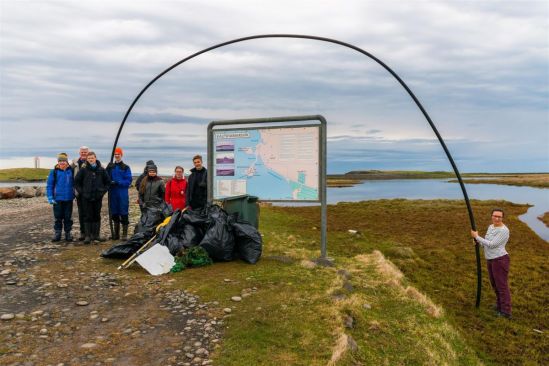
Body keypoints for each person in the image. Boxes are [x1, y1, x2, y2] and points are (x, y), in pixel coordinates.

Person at [471, 208, 511, 318]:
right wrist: (478, 242)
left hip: (500, 260)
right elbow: (486, 243)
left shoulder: (504, 230)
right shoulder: (491, 227)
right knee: (495, 284)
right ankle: (499, 306)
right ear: (491, 216)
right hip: (490, 259)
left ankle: (506, 311)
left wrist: (477, 237)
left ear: (502, 218)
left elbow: (492, 244)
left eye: (499, 217)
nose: (497, 218)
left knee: (502, 286)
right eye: (495, 216)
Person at [74, 151, 110, 244]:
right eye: (89, 158)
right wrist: (82, 192)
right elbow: (76, 182)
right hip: (86, 197)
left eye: (92, 158)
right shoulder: (83, 170)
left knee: (96, 215)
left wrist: (102, 192)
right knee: (87, 216)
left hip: (98, 197)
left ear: (95, 158)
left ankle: (96, 235)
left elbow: (108, 182)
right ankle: (87, 236)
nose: (90, 160)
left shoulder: (101, 170)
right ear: (87, 159)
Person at [46, 153, 74, 242]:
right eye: (60, 161)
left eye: (64, 161)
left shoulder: (71, 171)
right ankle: (57, 233)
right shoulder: (53, 172)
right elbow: (49, 185)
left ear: (67, 161)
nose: (62, 162)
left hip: (69, 198)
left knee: (68, 218)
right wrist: (50, 197)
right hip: (57, 199)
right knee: (58, 218)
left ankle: (68, 233)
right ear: (58, 162)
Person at [106, 147, 132, 240]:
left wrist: (118, 182)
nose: (117, 156)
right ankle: (116, 234)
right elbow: (106, 178)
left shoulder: (125, 167)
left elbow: (128, 181)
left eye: (118, 154)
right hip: (112, 193)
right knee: (114, 213)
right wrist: (107, 169)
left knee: (124, 212)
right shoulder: (111, 166)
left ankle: (124, 235)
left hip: (122, 193)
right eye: (115, 154)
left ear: (121, 155)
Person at [70, 146, 89, 241]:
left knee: (89, 212)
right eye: (82, 152)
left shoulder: (92, 161)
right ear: (79, 152)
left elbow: (102, 171)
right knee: (81, 213)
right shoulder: (75, 163)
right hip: (79, 192)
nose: (84, 153)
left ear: (88, 152)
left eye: (85, 152)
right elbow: (68, 172)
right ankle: (83, 232)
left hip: (89, 192)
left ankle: (90, 233)